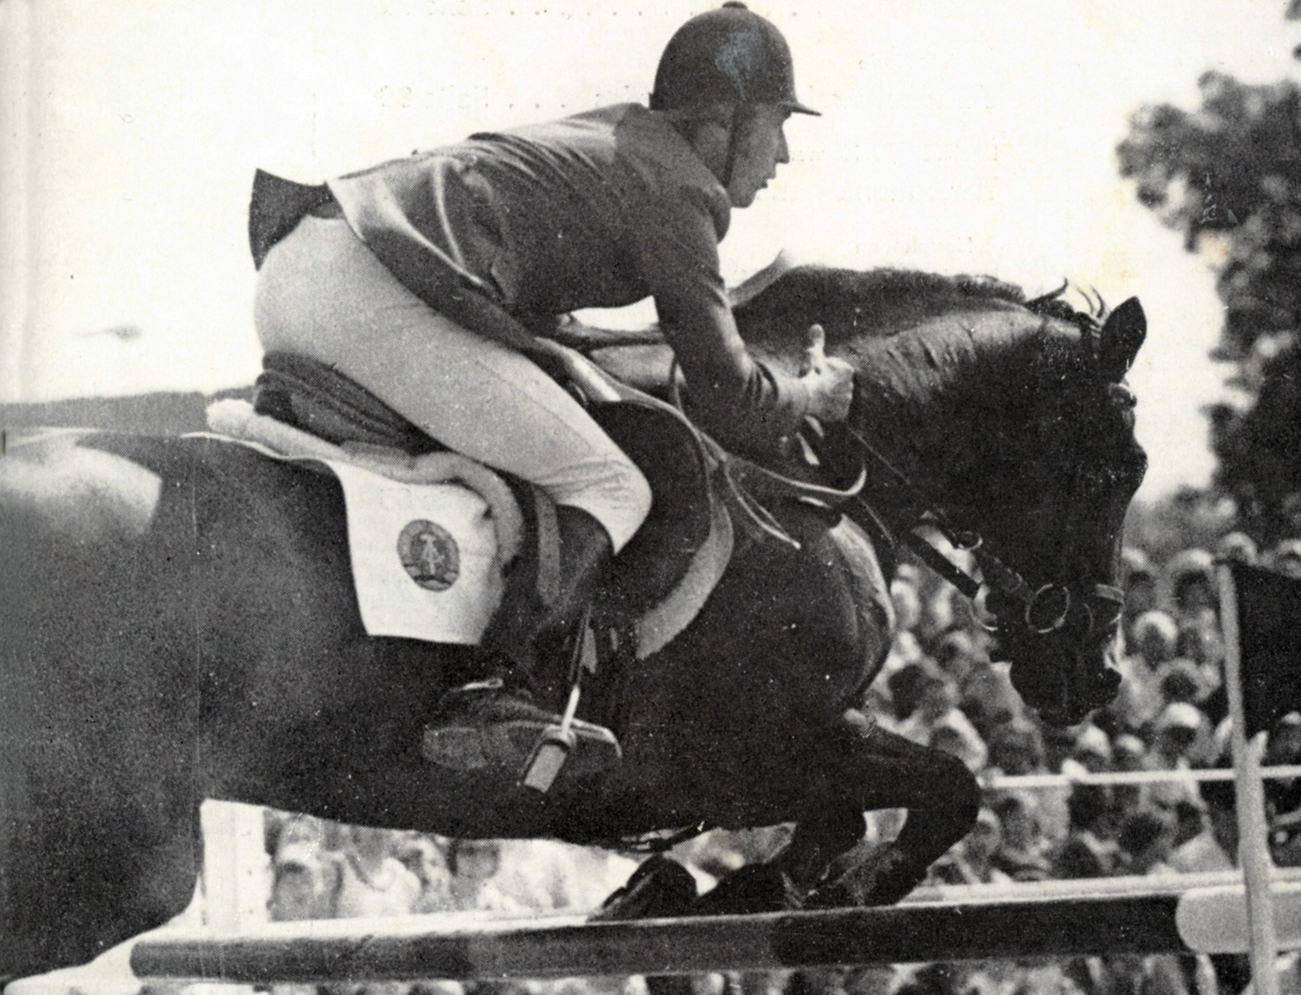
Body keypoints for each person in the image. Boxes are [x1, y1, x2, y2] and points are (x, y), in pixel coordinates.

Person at [250, 3, 855, 760]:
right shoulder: (677, 188)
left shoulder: (623, 145)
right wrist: (810, 393)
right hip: (367, 286)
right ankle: (488, 694)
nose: (785, 155)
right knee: (612, 485)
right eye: (777, 123)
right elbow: (729, 394)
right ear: (724, 122)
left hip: (306, 265)